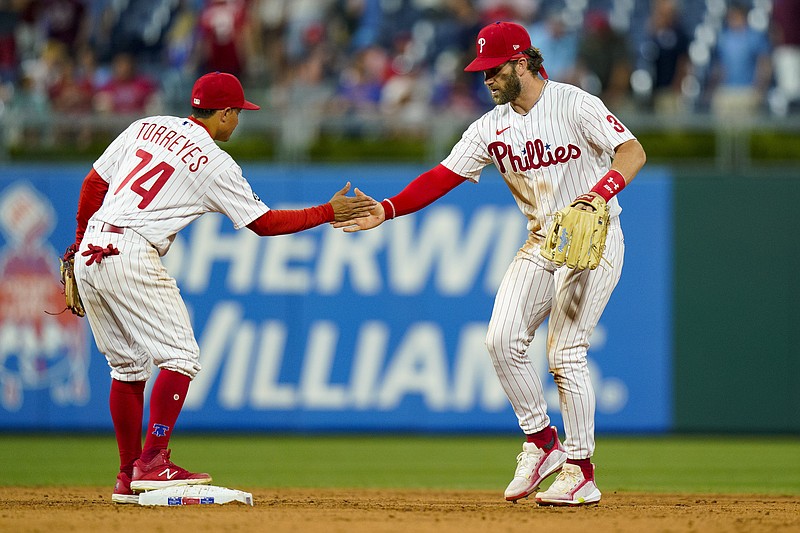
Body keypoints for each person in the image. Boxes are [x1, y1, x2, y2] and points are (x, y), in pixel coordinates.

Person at [335, 21, 646, 506]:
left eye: (494, 69)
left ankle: (581, 470)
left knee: (565, 352)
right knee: (501, 340)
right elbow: (442, 175)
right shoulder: (490, 126)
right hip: (543, 242)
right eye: (481, 70)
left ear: (523, 62)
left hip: (595, 236)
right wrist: (388, 208)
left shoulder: (574, 103)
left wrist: (597, 195)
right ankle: (543, 444)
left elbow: (632, 150)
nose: (486, 79)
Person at [64, 71, 376, 504]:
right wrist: (327, 210)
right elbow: (264, 224)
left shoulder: (146, 125)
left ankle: (126, 476)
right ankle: (153, 460)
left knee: (127, 368)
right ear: (225, 114)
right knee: (181, 356)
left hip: (92, 248)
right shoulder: (213, 161)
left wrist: (80, 243)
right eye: (238, 114)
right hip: (132, 251)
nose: (238, 121)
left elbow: (93, 184)